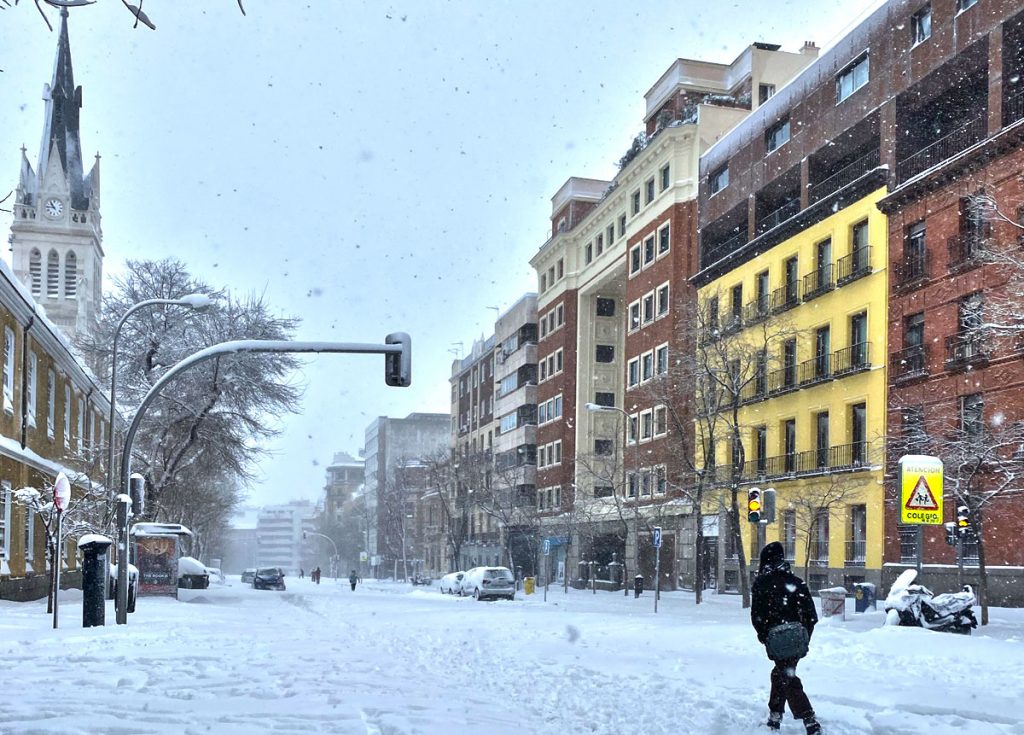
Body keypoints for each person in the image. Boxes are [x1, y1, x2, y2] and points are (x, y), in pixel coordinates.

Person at [751, 541, 820, 734]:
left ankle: (809, 719)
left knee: (786, 677)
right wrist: (803, 636)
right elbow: (811, 616)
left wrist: (765, 636)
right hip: (797, 638)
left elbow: (757, 616)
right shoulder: (797, 583)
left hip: (777, 639)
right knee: (781, 674)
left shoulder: (761, 584)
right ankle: (775, 717)